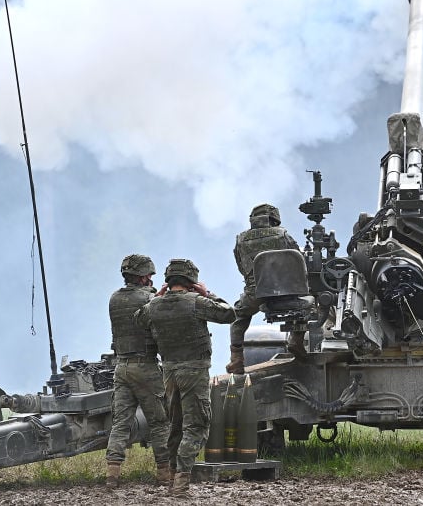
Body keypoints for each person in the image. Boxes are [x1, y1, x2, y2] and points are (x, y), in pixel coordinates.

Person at [134, 258, 236, 496]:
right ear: (191, 281)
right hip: (195, 371)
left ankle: (171, 477)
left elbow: (138, 319)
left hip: (169, 372)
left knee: (175, 426)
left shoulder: (155, 306)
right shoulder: (196, 302)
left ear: (168, 281)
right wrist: (207, 293)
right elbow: (229, 313)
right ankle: (181, 483)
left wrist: (156, 296)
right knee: (196, 425)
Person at [104, 254, 171, 489]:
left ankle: (112, 474)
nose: (151, 279)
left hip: (121, 367)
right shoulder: (150, 298)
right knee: (159, 421)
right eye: (150, 275)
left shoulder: (114, 299)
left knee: (121, 422)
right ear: (143, 277)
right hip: (146, 367)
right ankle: (165, 473)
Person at [227, 203, 304, 373]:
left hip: (256, 293)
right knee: (306, 303)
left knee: (238, 316)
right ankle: (296, 341)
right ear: (274, 219)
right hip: (286, 292)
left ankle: (237, 359)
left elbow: (241, 267)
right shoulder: (283, 234)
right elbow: (298, 262)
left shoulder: (241, 239)